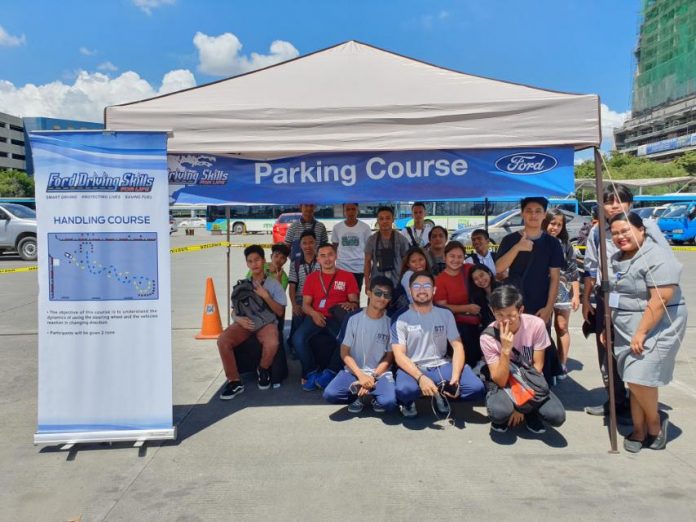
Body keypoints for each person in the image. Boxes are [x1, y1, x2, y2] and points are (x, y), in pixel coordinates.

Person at [582, 184, 673, 419]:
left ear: (630, 203)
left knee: (638, 349)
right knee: (607, 349)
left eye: (619, 201)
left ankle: (644, 407)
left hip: (639, 298)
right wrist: (586, 300)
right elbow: (592, 267)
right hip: (607, 295)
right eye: (609, 201)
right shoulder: (596, 231)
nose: (614, 205)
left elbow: (664, 261)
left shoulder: (646, 226)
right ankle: (615, 400)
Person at [607, 212, 686, 452]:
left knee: (638, 376)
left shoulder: (658, 256)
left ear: (642, 230)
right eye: (615, 233)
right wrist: (608, 325)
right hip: (624, 325)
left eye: (626, 231)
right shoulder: (617, 257)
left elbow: (660, 298)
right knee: (633, 378)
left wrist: (640, 333)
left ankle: (655, 421)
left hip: (656, 325)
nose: (621, 237)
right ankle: (639, 430)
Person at [391, 271, 485, 418]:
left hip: (441, 363)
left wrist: (454, 379)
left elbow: (457, 346)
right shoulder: (400, 317)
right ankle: (408, 402)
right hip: (413, 366)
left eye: (427, 285)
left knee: (476, 388)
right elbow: (399, 355)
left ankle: (441, 393)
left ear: (434, 290)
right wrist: (421, 377)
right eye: (416, 286)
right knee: (405, 391)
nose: (422, 290)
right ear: (410, 290)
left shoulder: (445, 313)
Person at [495, 197, 564, 382]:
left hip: (540, 302)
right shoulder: (510, 239)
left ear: (544, 215)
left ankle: (541, 382)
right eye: (529, 211)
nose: (533, 215)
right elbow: (499, 268)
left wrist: (550, 307)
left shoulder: (552, 243)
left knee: (540, 343)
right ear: (522, 213)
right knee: (512, 341)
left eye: (538, 211)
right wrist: (518, 247)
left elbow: (555, 278)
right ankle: (511, 380)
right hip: (513, 304)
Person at [481, 285, 566, 434]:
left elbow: (538, 367)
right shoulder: (488, 337)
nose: (505, 321)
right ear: (492, 311)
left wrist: (521, 408)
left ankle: (528, 411)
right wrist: (506, 350)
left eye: (510, 315)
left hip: (528, 379)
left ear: (520, 310)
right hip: (504, 381)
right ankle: (509, 407)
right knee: (499, 413)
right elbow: (500, 380)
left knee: (557, 416)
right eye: (499, 315)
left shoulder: (536, 325)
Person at [217, 245, 287, 399]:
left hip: (267, 323)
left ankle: (262, 369)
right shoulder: (243, 285)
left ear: (263, 261)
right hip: (245, 322)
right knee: (223, 340)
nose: (254, 264)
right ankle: (235, 381)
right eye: (250, 261)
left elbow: (280, 312)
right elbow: (233, 310)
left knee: (272, 343)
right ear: (247, 264)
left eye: (257, 260)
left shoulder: (274, 284)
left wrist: (266, 296)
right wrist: (238, 319)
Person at [322, 277, 398, 414]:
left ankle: (369, 393)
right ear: (368, 293)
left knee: (389, 402)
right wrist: (361, 376)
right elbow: (344, 352)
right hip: (354, 371)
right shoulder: (352, 318)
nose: (382, 298)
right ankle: (359, 395)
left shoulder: (391, 321)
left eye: (386, 295)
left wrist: (372, 377)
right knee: (330, 394)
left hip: (379, 374)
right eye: (378, 293)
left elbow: (389, 357)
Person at [292, 243, 359, 391]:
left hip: (336, 317)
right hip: (315, 315)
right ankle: (311, 372)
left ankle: (330, 372)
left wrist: (350, 304)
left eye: (330, 254)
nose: (327, 259)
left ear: (336, 256)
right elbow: (305, 305)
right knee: (297, 338)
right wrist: (314, 314)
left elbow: (355, 302)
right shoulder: (311, 278)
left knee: (344, 342)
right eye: (322, 255)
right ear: (318, 259)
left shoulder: (347, 276)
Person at [542, 209, 580, 379]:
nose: (555, 227)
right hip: (542, 289)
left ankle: (562, 364)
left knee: (562, 326)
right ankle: (544, 363)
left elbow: (573, 270)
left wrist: (576, 295)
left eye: (559, 224)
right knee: (543, 327)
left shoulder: (566, 244)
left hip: (563, 291)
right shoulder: (538, 240)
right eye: (552, 223)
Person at [434, 241, 483, 369]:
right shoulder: (440, 280)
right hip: (457, 324)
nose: (456, 260)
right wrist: (467, 308)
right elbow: (442, 307)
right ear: (445, 257)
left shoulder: (468, 269)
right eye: (452, 256)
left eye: (460, 256)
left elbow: (483, 277)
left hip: (478, 319)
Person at [364, 206, 410, 293]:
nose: (384, 221)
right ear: (377, 221)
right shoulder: (371, 239)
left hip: (397, 282)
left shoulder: (401, 239)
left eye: (388, 218)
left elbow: (406, 262)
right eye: (381, 218)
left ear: (393, 219)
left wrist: (405, 281)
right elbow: (367, 262)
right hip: (377, 283)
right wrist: (367, 283)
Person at [288, 230, 320, 342]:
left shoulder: (322, 261)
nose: (308, 246)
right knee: (298, 313)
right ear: (300, 245)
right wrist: (294, 305)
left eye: (311, 242)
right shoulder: (295, 263)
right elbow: (292, 286)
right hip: (301, 297)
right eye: (304, 243)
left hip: (318, 298)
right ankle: (296, 344)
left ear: (316, 243)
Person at [331, 203, 372, 292]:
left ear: (357, 211)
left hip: (359, 268)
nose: (350, 212)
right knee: (340, 294)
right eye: (348, 209)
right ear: (344, 211)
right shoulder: (337, 227)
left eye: (353, 209)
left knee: (355, 295)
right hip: (341, 268)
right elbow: (334, 247)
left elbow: (369, 250)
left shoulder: (365, 227)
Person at [468, 264, 499, 330]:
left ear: (489, 273)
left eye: (481, 275)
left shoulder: (503, 289)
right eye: (476, 279)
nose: (480, 280)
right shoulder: (477, 298)